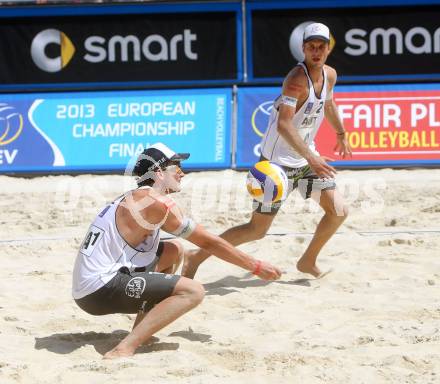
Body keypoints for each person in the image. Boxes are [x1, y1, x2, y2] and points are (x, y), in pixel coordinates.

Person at [71, 142, 281, 359]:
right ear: (159, 172)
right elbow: (208, 242)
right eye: (176, 166)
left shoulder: (139, 196)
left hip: (91, 283)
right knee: (193, 291)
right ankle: (123, 349)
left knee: (173, 250)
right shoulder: (153, 203)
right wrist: (255, 266)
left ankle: (138, 332)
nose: (183, 172)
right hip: (97, 291)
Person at [183, 22, 352, 279]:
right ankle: (195, 256)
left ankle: (307, 260)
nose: (316, 52)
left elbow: (328, 104)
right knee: (256, 230)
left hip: (305, 160)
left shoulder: (330, 75)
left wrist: (340, 133)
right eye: (311, 47)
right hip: (276, 165)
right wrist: (313, 157)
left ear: (328, 49)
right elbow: (284, 124)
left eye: (321, 47)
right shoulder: (296, 80)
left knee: (338, 210)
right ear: (303, 49)